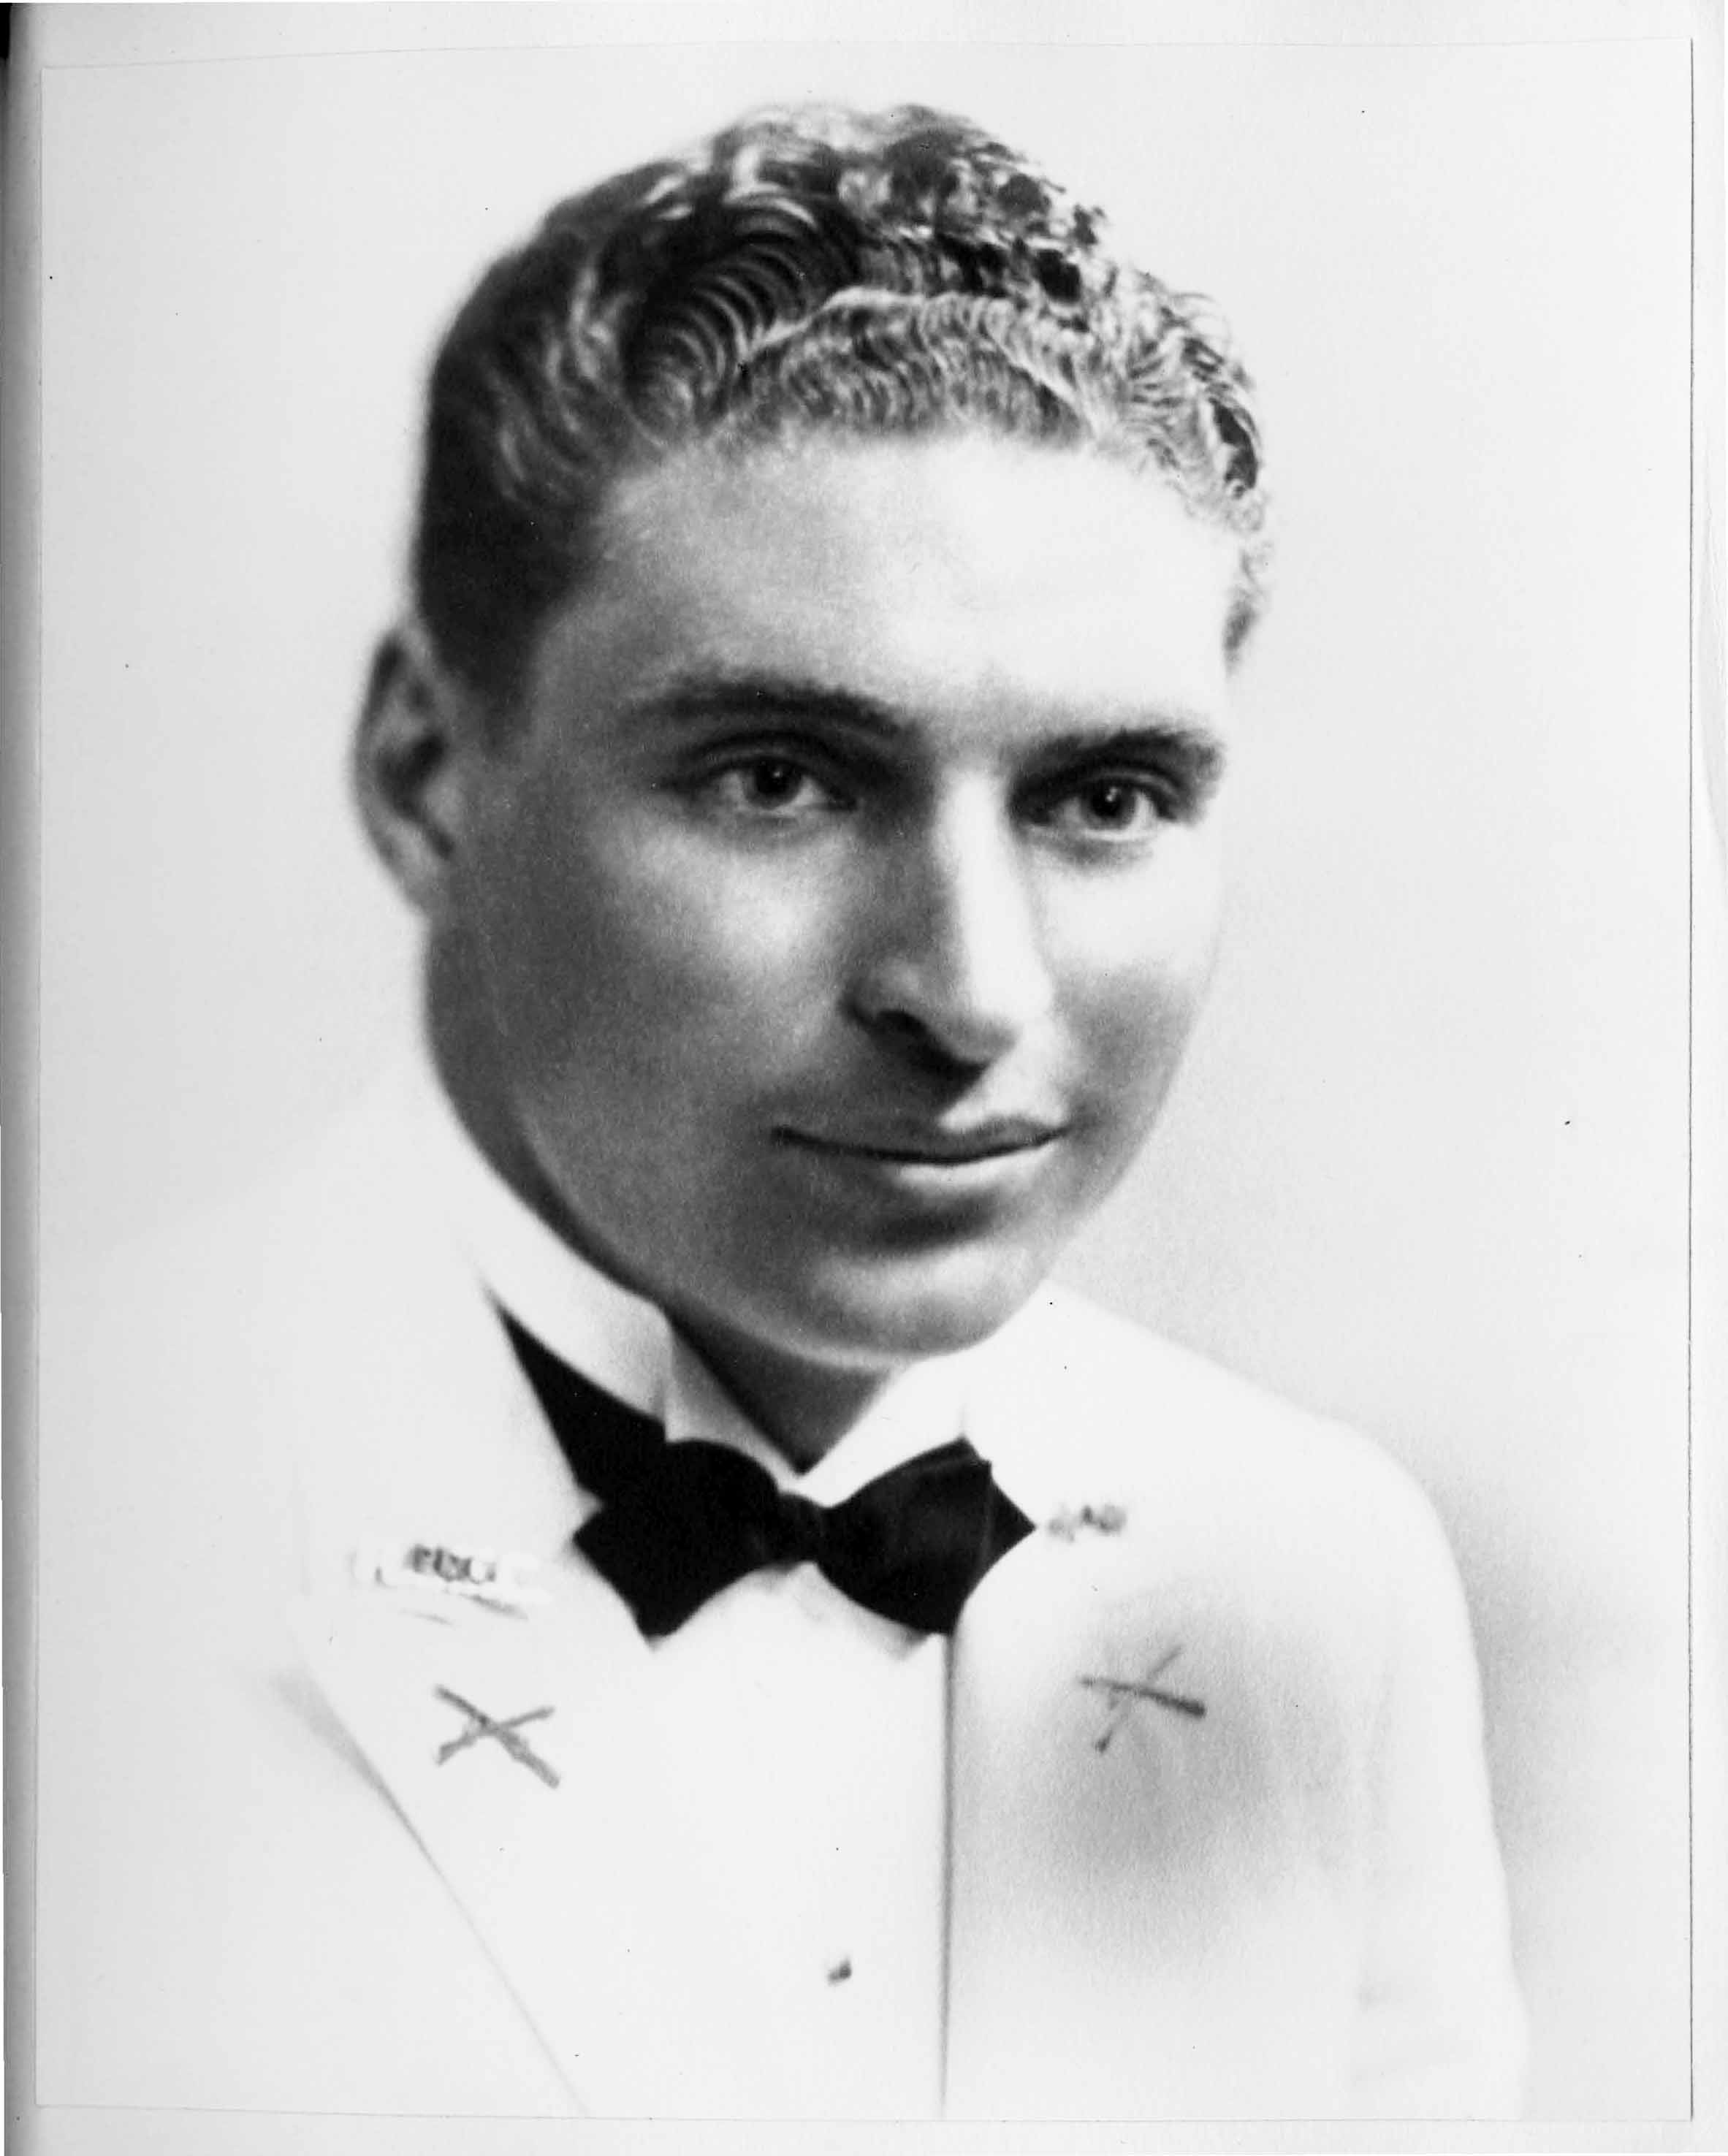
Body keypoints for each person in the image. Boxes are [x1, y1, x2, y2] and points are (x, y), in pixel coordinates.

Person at [35, 103, 1526, 2121]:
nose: (974, 992)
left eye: (1105, 798)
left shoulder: (1317, 1564)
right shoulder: (73, 1517)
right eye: (779, 780)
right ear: (425, 774)